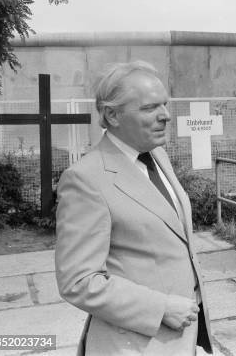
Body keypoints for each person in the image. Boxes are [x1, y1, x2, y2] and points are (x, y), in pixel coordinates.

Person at [55, 61, 213, 355]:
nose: (165, 116)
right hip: (135, 344)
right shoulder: (85, 180)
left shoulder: (157, 155)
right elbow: (78, 281)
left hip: (181, 337)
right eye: (149, 108)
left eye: (164, 104)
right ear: (112, 115)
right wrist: (161, 307)